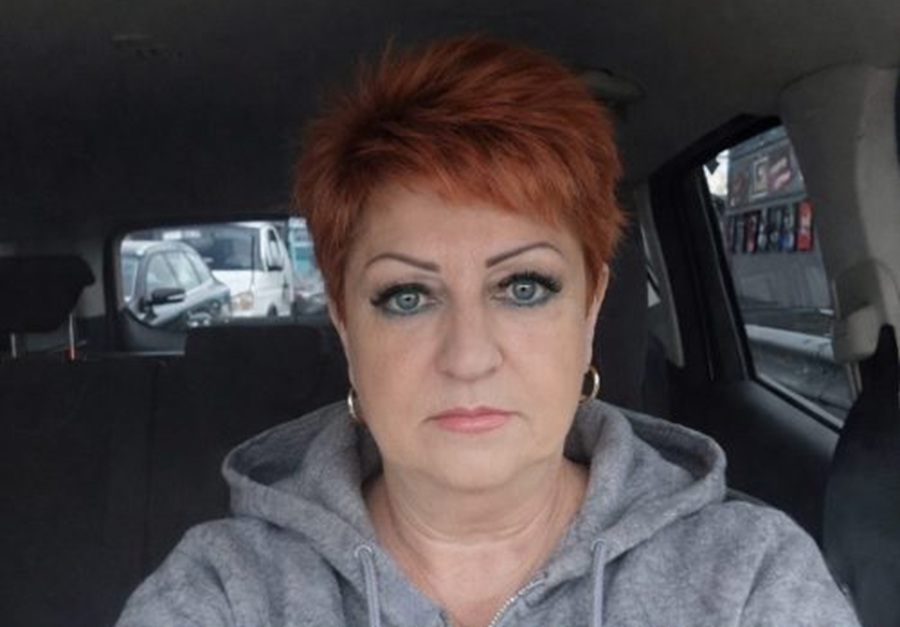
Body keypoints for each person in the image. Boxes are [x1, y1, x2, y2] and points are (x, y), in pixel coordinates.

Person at [116, 35, 859, 627]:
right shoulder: (228, 592)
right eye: (408, 296)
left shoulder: (747, 580)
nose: (468, 356)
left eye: (523, 287)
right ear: (345, 324)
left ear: (591, 310)